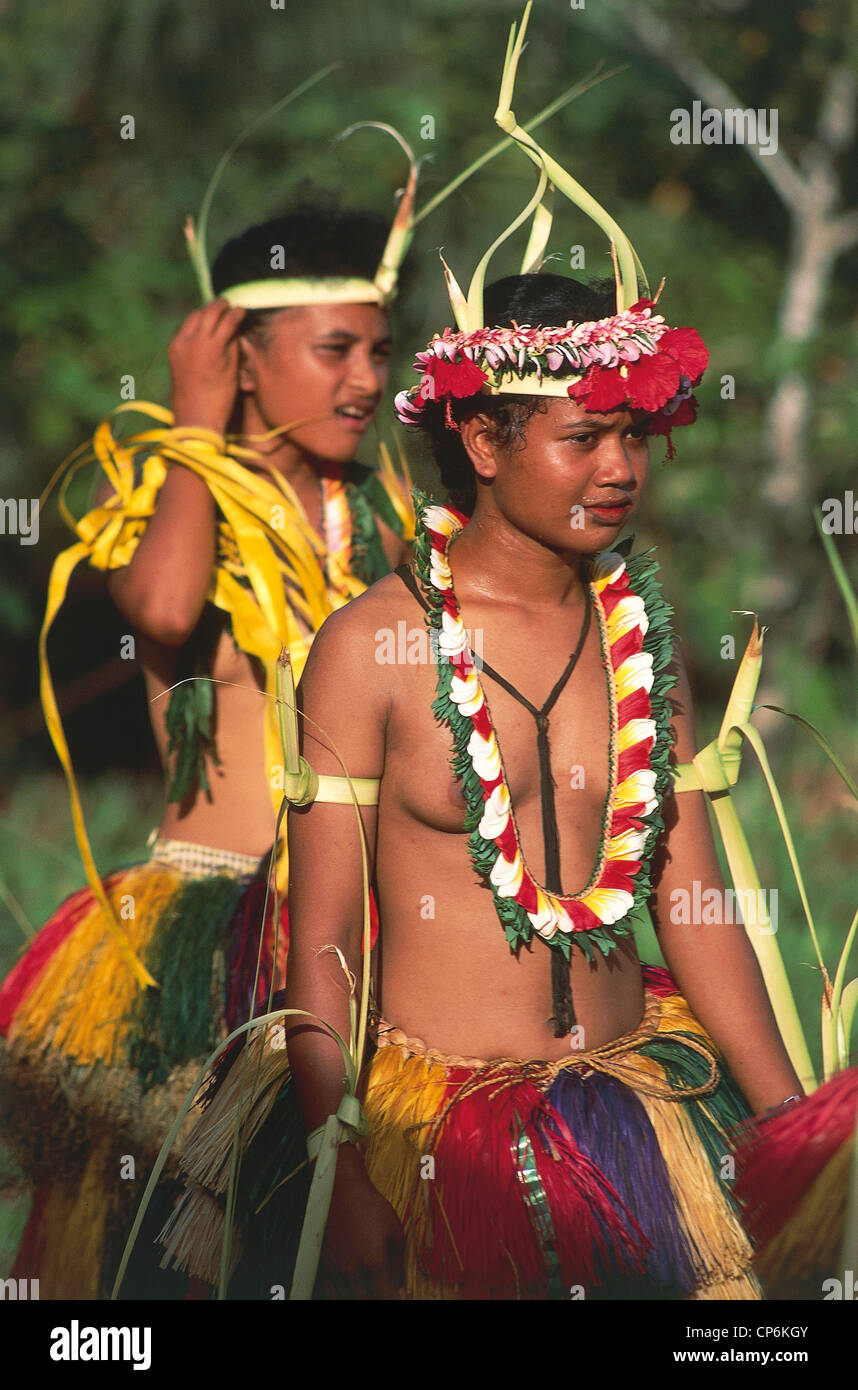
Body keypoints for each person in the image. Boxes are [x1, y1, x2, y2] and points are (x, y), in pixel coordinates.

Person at [0, 190, 414, 1300]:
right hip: (211, 936)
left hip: (362, 945)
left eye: (380, 348)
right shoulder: (170, 499)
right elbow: (171, 611)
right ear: (238, 357)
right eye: (334, 350)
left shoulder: (384, 520)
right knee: (181, 1261)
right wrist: (191, 426)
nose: (366, 379)